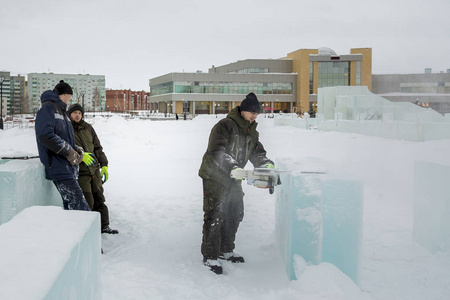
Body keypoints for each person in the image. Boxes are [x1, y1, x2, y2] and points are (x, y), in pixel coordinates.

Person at [198, 92, 274, 274]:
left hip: (234, 177)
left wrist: (265, 164)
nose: (255, 116)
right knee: (215, 215)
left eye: (257, 113)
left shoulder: (251, 131)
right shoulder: (225, 125)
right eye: (252, 113)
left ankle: (226, 250)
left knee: (235, 213)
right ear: (243, 110)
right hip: (215, 176)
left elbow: (257, 153)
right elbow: (216, 151)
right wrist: (232, 167)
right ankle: (210, 256)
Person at [35, 80, 90, 211]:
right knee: (80, 208)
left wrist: (76, 149)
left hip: (67, 167)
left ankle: (70, 231)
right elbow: (45, 135)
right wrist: (69, 151)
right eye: (69, 96)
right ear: (64, 94)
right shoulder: (48, 109)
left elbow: (65, 138)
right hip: (58, 166)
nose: (70, 99)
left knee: (71, 207)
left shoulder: (62, 113)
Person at [67, 103, 119, 234]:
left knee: (100, 199)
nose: (77, 115)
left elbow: (97, 148)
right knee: (87, 202)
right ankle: (89, 233)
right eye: (74, 113)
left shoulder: (88, 128)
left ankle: (104, 226)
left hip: (94, 171)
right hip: (81, 172)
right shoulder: (67, 129)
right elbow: (67, 149)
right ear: (70, 115)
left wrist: (104, 165)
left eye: (79, 113)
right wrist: (80, 156)